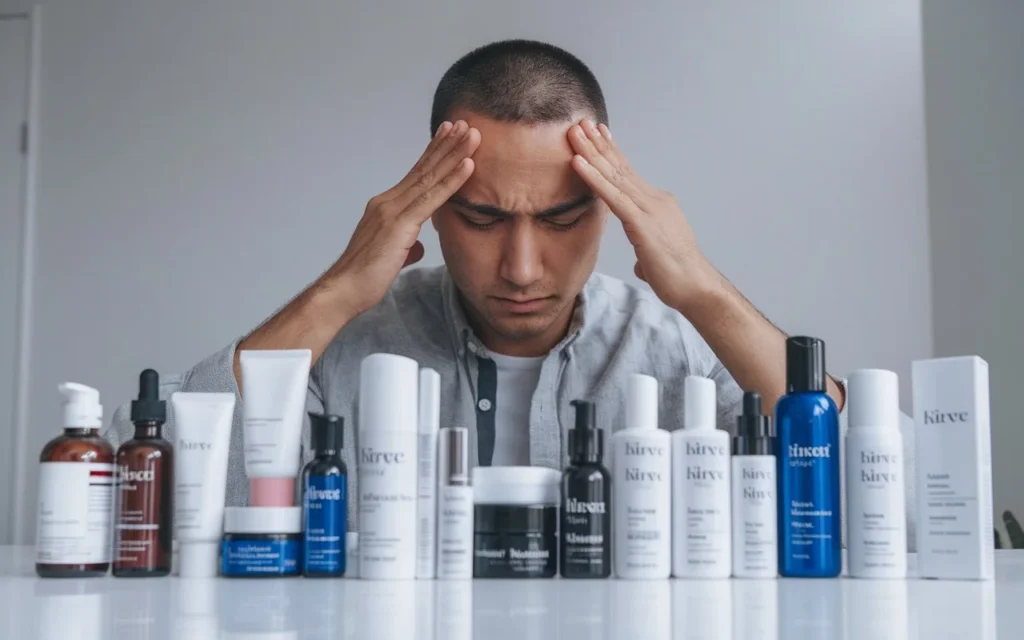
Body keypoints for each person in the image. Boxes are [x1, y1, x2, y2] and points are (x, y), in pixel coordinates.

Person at [105, 39, 848, 526]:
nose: (522, 269)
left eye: (560, 219)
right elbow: (150, 487)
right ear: (428, 209)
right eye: (483, 218)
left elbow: (866, 487)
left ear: (613, 209)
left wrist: (703, 290)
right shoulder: (348, 344)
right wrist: (337, 291)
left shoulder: (677, 342)